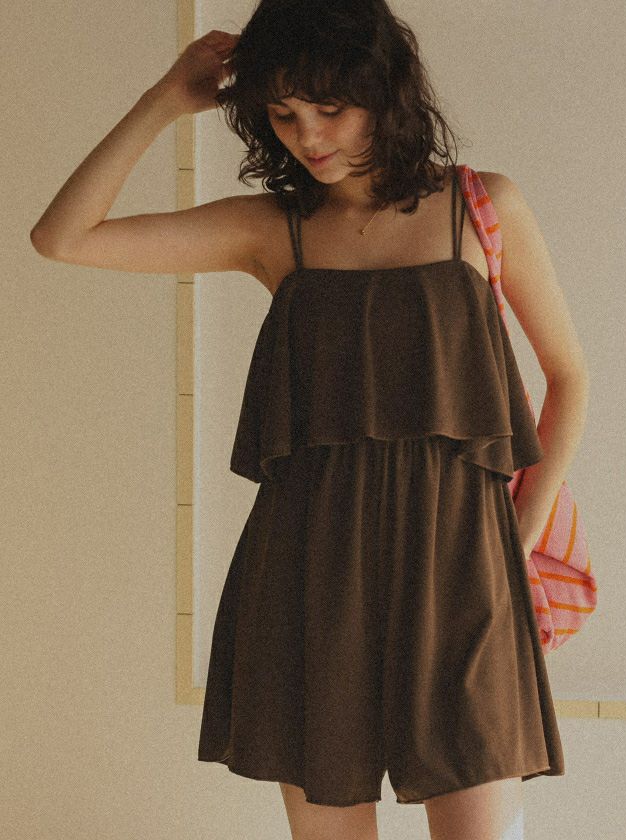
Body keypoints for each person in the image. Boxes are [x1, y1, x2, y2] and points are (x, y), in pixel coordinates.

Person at [30, 2, 589, 838]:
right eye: (284, 114)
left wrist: (514, 539)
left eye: (330, 107)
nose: (309, 137)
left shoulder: (482, 206)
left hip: (463, 568)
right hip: (311, 573)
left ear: (385, 90)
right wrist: (164, 99)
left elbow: (569, 377)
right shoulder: (273, 230)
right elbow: (62, 237)